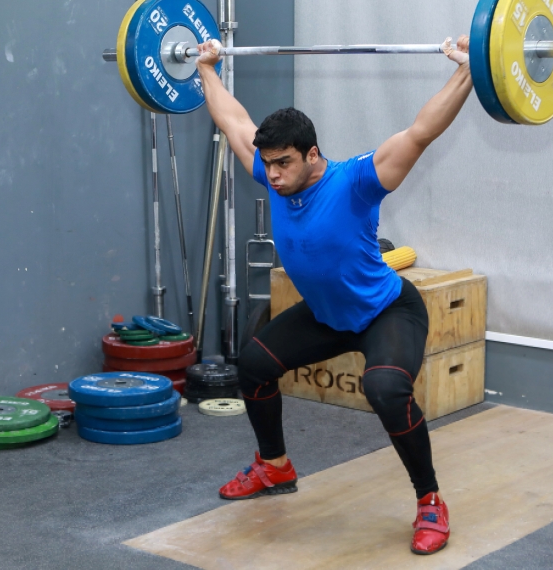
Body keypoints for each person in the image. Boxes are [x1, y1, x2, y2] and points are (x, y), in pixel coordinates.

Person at [194, 35, 472, 555]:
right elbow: (233, 121)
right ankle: (274, 466)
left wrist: (470, 70)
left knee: (385, 390)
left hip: (385, 310)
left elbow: (421, 131)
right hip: (327, 315)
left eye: (283, 163)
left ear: (312, 154)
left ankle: (430, 498)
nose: (273, 175)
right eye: (268, 164)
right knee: (253, 365)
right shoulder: (272, 172)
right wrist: (207, 67)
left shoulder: (355, 181)